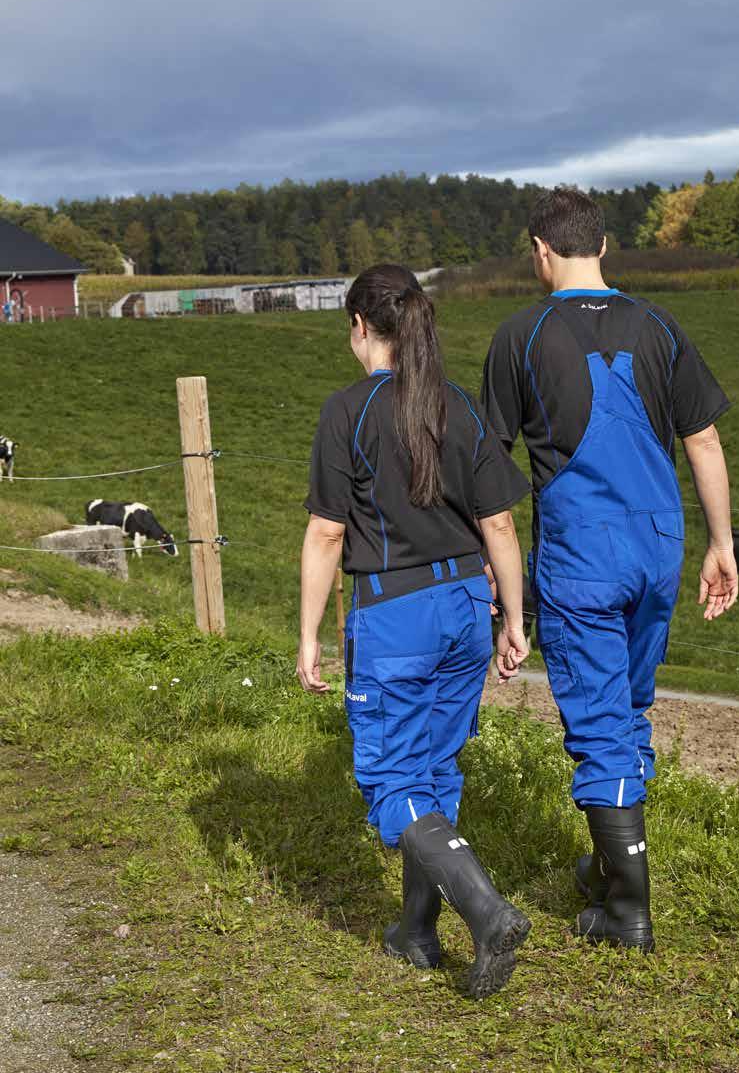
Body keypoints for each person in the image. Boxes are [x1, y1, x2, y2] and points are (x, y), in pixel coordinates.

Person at [481, 188, 739, 953]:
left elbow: (490, 466)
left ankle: (628, 908)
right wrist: (720, 544)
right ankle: (604, 864)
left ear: (540, 250)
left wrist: (501, 582)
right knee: (627, 706)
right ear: (606, 245)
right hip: (660, 545)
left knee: (597, 720)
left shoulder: (521, 335)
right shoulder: (660, 324)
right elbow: (706, 443)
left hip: (582, 551)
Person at [297, 264, 533, 998]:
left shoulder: (348, 411)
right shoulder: (456, 404)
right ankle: (416, 932)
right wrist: (514, 619)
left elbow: (327, 534)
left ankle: (486, 910)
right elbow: (498, 521)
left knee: (392, 779)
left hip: (394, 614)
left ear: (362, 326)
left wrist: (308, 635)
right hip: (466, 606)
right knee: (432, 767)